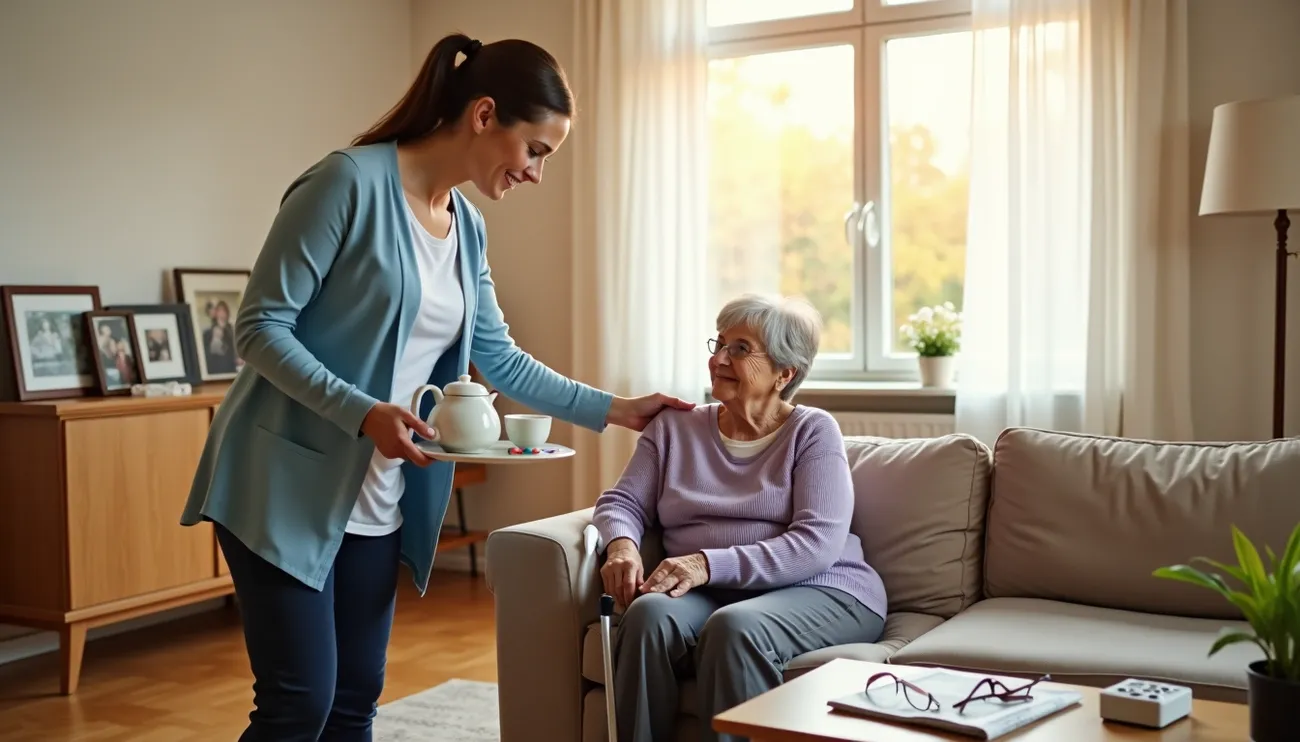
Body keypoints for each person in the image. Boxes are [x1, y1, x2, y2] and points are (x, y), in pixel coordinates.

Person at [179, 33, 693, 742]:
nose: (536, 173)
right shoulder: (346, 184)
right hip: (282, 488)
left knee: (356, 701)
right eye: (536, 150)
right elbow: (259, 327)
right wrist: (364, 415)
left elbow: (500, 360)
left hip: (378, 497)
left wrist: (621, 410)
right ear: (484, 115)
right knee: (299, 704)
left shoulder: (468, 228)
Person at [593, 294, 888, 742]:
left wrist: (705, 563)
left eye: (740, 349)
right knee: (648, 616)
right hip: (712, 592)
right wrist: (622, 546)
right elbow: (623, 502)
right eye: (720, 343)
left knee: (734, 628)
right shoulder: (674, 428)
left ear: (784, 373)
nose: (718, 359)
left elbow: (816, 543)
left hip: (822, 588)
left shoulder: (812, 431)